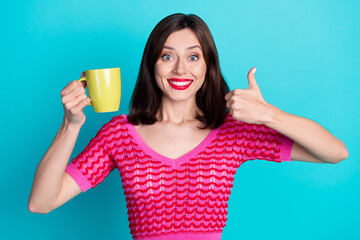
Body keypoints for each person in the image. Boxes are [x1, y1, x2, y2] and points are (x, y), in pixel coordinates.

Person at [28, 13, 349, 240]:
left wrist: (269, 115)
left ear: (208, 66)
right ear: (152, 65)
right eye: (167, 56)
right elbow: (41, 203)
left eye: (193, 57)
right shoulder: (120, 134)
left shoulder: (232, 131)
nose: (181, 68)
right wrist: (70, 126)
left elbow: (335, 152)